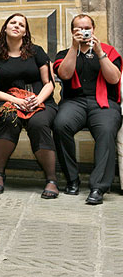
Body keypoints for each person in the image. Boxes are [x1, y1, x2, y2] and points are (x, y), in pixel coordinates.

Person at [0, 14, 58, 197]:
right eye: (13, 23)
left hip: (39, 101)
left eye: (21, 25)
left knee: (38, 123)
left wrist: (37, 100)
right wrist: (17, 101)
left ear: (25, 32)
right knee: (9, 118)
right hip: (6, 102)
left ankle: (51, 180)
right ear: (5, 28)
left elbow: (49, 83)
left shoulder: (37, 52)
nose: (17, 26)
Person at [53, 14, 122, 205]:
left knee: (107, 131)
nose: (83, 31)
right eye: (78, 28)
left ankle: (98, 187)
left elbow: (114, 79)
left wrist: (100, 52)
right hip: (74, 102)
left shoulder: (109, 51)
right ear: (72, 32)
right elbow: (65, 74)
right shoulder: (64, 53)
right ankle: (72, 179)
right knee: (60, 125)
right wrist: (75, 48)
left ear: (93, 29)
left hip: (103, 103)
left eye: (87, 28)